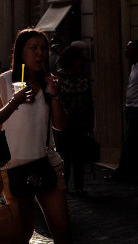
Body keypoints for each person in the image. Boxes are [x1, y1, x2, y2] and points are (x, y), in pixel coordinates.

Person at [0, 28, 70, 243]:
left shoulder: (49, 83)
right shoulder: (3, 82)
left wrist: (55, 96)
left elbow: (60, 125)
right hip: (12, 168)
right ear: (20, 53)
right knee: (21, 233)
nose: (39, 53)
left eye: (43, 48)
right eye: (33, 48)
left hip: (47, 162)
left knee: (61, 227)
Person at [53, 46, 93, 195]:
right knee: (64, 157)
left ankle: (79, 186)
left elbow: (89, 101)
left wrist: (91, 122)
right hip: (63, 124)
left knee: (79, 158)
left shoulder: (83, 76)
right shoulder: (57, 78)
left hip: (81, 123)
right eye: (79, 59)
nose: (81, 62)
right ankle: (64, 186)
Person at [110, 40, 138, 182]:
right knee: (131, 141)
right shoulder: (134, 66)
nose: (125, 50)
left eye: (128, 48)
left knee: (130, 142)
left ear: (136, 50)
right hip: (132, 108)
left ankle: (124, 172)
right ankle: (129, 171)